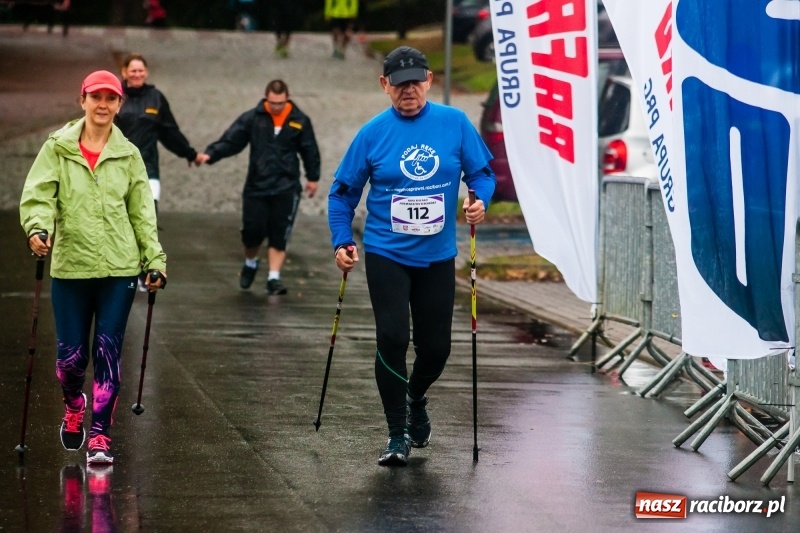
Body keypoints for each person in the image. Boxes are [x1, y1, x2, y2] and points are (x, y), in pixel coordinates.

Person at [327, 46, 496, 466]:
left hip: (437, 255)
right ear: (384, 85)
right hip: (386, 251)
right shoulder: (372, 134)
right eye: (400, 84)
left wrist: (480, 200)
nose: (409, 91)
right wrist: (342, 241)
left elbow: (481, 173)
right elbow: (342, 195)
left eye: (416, 83)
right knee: (392, 337)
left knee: (436, 348)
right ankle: (396, 433)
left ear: (429, 81)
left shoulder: (454, 123)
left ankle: (415, 395)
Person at [19, 70, 167, 465]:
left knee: (107, 352)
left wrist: (154, 260)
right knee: (69, 362)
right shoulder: (57, 148)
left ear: (119, 105)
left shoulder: (129, 155)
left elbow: (142, 214)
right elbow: (39, 194)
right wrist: (37, 228)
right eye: (96, 97)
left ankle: (100, 435)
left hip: (119, 270)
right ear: (82, 100)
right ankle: (74, 404)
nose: (103, 105)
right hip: (71, 268)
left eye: (110, 98)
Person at [196, 79, 320, 295]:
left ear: (287, 99)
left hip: (286, 186)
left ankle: (274, 277)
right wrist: (211, 154)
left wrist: (313, 178)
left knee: (280, 232)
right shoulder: (253, 118)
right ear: (266, 99)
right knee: (252, 231)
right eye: (273, 103)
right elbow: (232, 140)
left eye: (280, 103)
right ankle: (250, 262)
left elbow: (309, 149)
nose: (276, 107)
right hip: (257, 185)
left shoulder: (299, 120)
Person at [115, 53, 201, 228]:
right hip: (117, 168)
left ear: (146, 72)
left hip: (148, 167)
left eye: (140, 70)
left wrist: (190, 154)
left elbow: (170, 132)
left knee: (148, 219)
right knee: (119, 222)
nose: (137, 74)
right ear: (124, 72)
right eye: (133, 71)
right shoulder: (114, 97)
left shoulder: (156, 97)